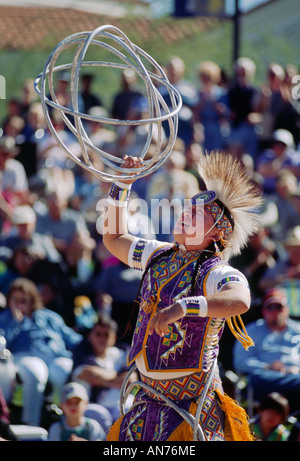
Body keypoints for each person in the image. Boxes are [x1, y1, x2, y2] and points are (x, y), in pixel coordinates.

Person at [102, 150, 262, 441]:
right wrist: (121, 186)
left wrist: (184, 307)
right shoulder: (158, 254)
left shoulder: (215, 272)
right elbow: (113, 238)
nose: (184, 213)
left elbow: (240, 300)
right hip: (146, 404)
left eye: (195, 213)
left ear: (216, 233)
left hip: (194, 413)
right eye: (186, 208)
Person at [0, 277, 82, 426]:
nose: (19, 304)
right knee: (36, 372)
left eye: (23, 300)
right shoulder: (5, 319)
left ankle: (61, 418)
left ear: (32, 300)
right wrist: (16, 322)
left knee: (64, 369)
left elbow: (72, 339)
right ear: (9, 300)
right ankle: (31, 423)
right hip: (25, 356)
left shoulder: (50, 317)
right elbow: (4, 343)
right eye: (15, 300)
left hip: (55, 356)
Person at [233, 287, 300, 413]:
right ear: (263, 311)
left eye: (279, 307)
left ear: (287, 309)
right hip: (265, 380)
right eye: (270, 307)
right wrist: (267, 367)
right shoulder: (251, 330)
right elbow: (241, 362)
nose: (275, 311)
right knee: (257, 378)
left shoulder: (298, 330)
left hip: (295, 377)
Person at [71, 316, 137, 426]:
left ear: (114, 337)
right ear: (90, 336)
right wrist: (117, 376)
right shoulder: (82, 352)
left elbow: (131, 379)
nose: (102, 338)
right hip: (93, 405)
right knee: (99, 415)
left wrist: (102, 380)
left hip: (120, 404)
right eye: (98, 334)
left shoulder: (123, 352)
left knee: (131, 410)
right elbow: (88, 374)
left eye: (106, 335)